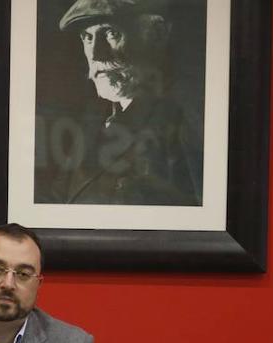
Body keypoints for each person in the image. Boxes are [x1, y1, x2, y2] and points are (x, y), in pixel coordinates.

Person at [53, 0, 201, 205]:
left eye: (111, 34)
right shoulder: (94, 118)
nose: (96, 54)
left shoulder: (188, 119)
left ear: (157, 34)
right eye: (88, 38)